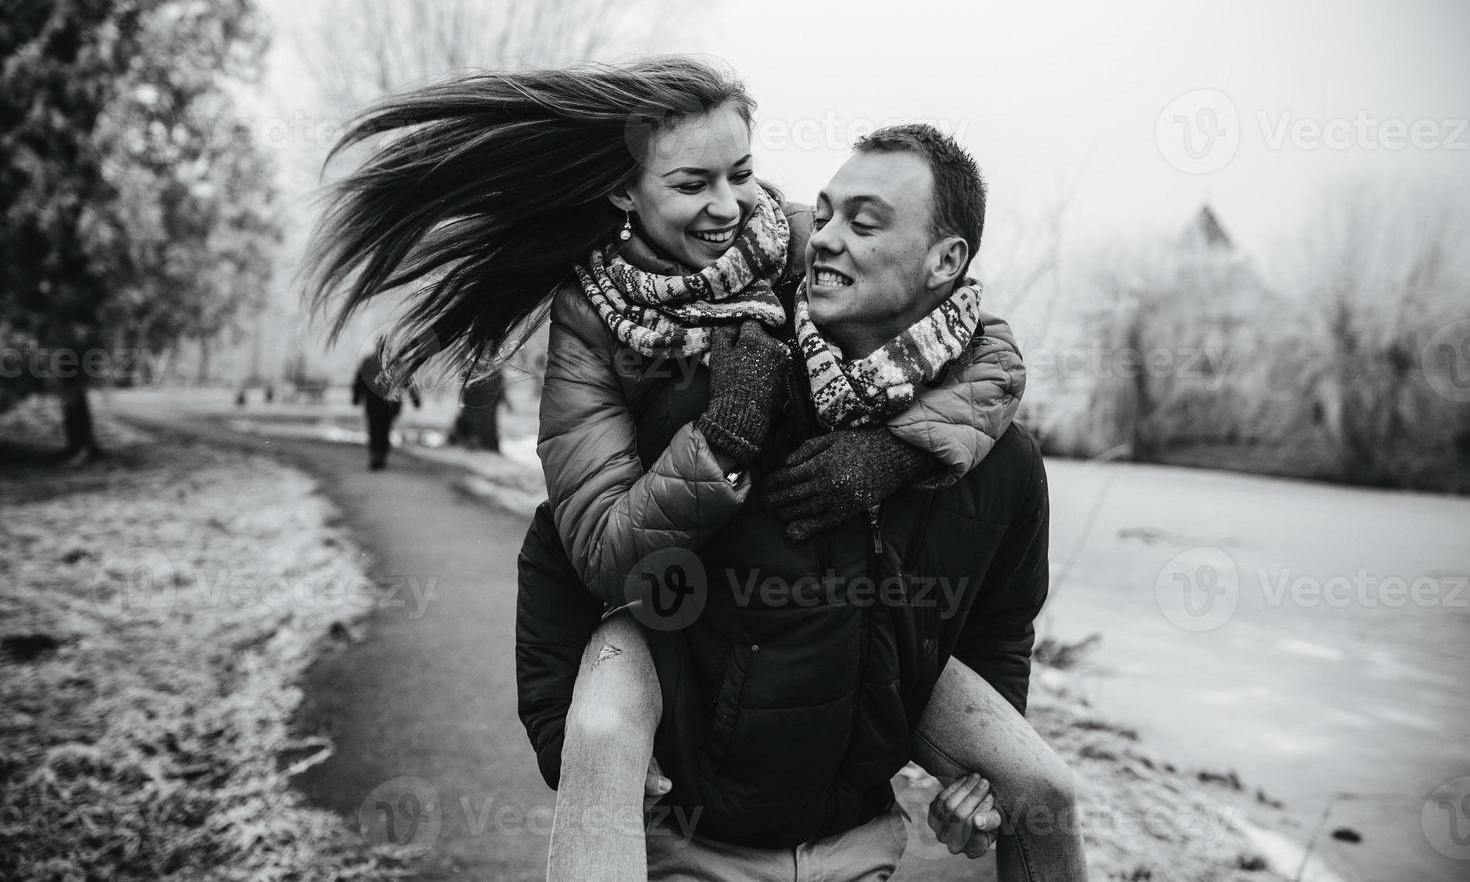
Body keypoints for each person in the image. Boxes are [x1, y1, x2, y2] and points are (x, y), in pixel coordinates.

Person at [301, 59, 1078, 878]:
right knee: (602, 733)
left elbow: (974, 339)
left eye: (741, 174)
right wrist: (722, 436)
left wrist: (904, 445)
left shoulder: (794, 260)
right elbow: (582, 550)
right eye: (692, 183)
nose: (729, 205)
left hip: (828, 728)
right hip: (670, 609)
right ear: (624, 196)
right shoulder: (596, 325)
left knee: (1038, 787)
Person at [519, 123, 1089, 880]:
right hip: (692, 848)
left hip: (854, 850)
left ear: (946, 260)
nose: (824, 239)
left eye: (864, 222)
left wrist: (976, 778)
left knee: (1048, 793)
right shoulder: (735, 385)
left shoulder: (1002, 464)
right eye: (821, 216)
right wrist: (572, 745)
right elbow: (564, 548)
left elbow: (998, 624)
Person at [351, 347, 421, 470]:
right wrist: (415, 400)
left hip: (376, 402)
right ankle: (379, 455)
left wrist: (357, 397)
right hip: (388, 404)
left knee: (376, 429)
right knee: (383, 429)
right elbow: (408, 381)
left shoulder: (370, 361)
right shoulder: (396, 362)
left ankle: (377, 455)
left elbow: (360, 380)